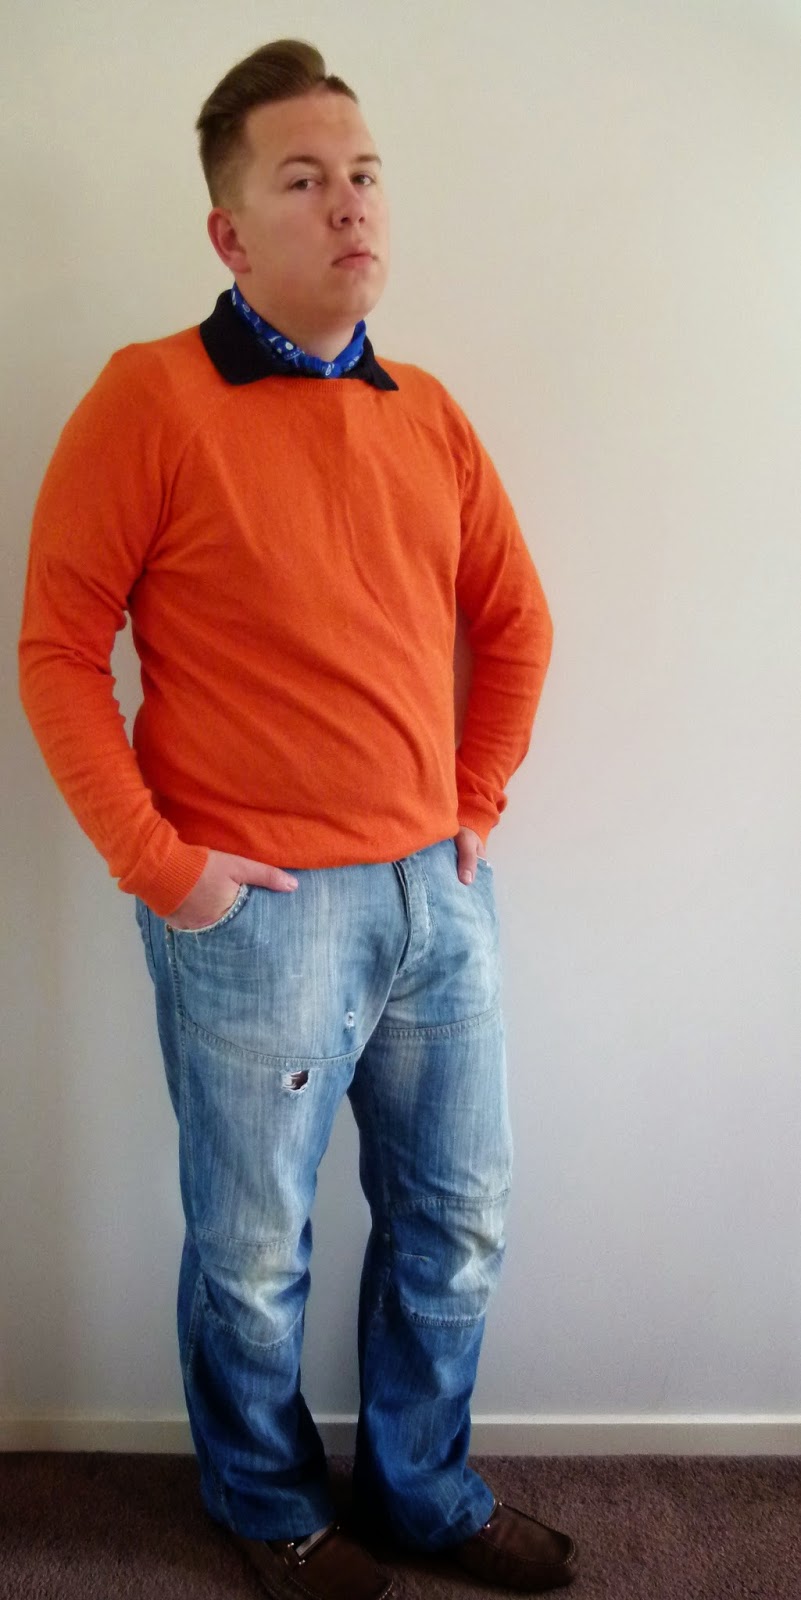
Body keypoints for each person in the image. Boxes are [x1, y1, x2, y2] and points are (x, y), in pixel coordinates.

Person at [18, 37, 578, 1600]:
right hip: (255, 914)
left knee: (458, 1218)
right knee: (254, 1250)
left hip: (434, 894)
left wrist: (474, 801)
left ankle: (422, 1492)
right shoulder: (150, 397)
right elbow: (57, 649)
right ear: (229, 231)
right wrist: (163, 867)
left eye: (366, 174)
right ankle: (265, 1504)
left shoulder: (427, 412)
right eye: (306, 179)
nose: (351, 205)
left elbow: (517, 622)